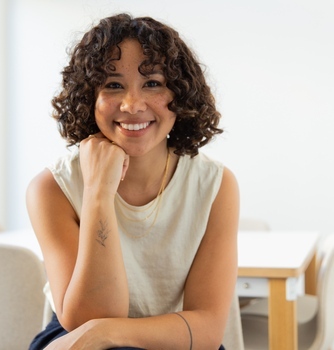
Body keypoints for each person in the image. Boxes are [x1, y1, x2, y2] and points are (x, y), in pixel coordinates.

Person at [26, 13, 239, 350]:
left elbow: (209, 328)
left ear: (180, 94)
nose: (132, 104)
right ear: (88, 97)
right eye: (112, 85)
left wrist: (106, 332)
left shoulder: (214, 185)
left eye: (152, 83)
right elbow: (88, 319)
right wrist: (98, 192)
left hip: (173, 335)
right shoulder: (52, 188)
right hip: (78, 336)